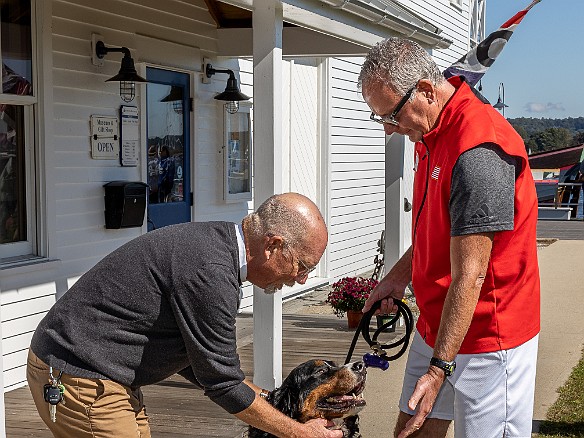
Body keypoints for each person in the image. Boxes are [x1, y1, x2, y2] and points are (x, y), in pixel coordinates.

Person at [27, 192, 342, 438]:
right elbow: (222, 383)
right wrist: (299, 432)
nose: (300, 279)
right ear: (273, 244)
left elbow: (204, 362)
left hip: (102, 374)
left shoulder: (218, 248)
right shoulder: (211, 273)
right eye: (303, 266)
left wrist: (272, 402)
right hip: (79, 373)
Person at [359, 38, 540, 438]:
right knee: (411, 430)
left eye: (390, 115)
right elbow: (434, 232)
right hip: (437, 323)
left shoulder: (479, 149)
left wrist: (440, 368)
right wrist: (397, 277)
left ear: (425, 90)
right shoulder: (429, 131)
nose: (390, 129)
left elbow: (471, 274)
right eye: (380, 119)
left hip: (491, 334)